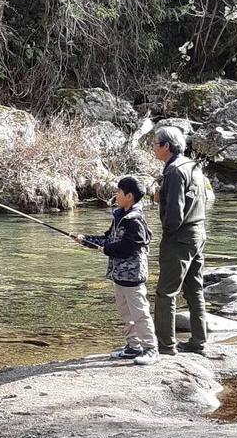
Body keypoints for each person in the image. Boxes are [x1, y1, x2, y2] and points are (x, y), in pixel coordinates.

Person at [72, 176, 159, 365]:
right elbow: (108, 238)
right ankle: (133, 347)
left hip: (133, 276)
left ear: (129, 196)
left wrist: (105, 249)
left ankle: (151, 349)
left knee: (140, 313)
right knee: (125, 313)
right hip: (119, 276)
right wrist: (86, 240)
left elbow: (128, 247)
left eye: (119, 191)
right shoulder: (120, 215)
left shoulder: (135, 220)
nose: (116, 194)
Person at [152, 125, 208, 355]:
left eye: (155, 144)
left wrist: (167, 234)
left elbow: (175, 213)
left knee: (165, 293)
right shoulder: (193, 166)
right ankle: (198, 342)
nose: (153, 148)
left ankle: (165, 345)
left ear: (166, 146)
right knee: (195, 290)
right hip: (198, 233)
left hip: (179, 238)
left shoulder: (174, 171)